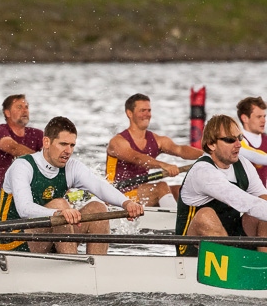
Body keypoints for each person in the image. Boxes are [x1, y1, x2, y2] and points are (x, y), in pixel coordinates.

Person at [0, 116, 144, 255]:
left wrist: (126, 203)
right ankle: (73, 268)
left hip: (50, 235)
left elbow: (99, 186)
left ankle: (96, 270)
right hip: (12, 241)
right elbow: (24, 209)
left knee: (98, 208)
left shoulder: (71, 167)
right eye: (63, 144)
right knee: (60, 205)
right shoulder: (22, 166)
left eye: (72, 145)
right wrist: (59, 213)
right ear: (46, 142)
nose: (68, 151)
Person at [176, 114, 267, 256]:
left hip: (231, 238)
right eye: (230, 140)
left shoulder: (243, 164)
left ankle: (263, 265)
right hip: (191, 247)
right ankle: (233, 266)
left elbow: (262, 198)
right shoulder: (203, 171)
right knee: (206, 215)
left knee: (262, 210)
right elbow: (243, 201)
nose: (238, 144)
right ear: (211, 144)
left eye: (240, 138)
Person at [106, 93, 203, 208]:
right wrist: (164, 165)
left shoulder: (157, 140)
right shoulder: (117, 142)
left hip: (141, 194)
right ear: (129, 113)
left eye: (149, 110)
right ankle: (173, 221)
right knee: (161, 187)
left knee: (180, 190)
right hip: (116, 195)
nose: (147, 115)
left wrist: (208, 154)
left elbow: (180, 150)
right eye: (142, 110)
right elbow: (137, 158)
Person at [0, 94, 43, 203]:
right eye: (19, 107)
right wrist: (42, 161)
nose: (25, 110)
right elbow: (13, 148)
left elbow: (53, 155)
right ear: (7, 113)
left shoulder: (38, 134)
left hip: (29, 189)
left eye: (26, 107)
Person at [236, 96, 267, 186]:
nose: (264, 120)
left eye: (264, 116)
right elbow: (255, 156)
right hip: (245, 195)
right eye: (259, 117)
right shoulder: (238, 141)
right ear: (244, 118)